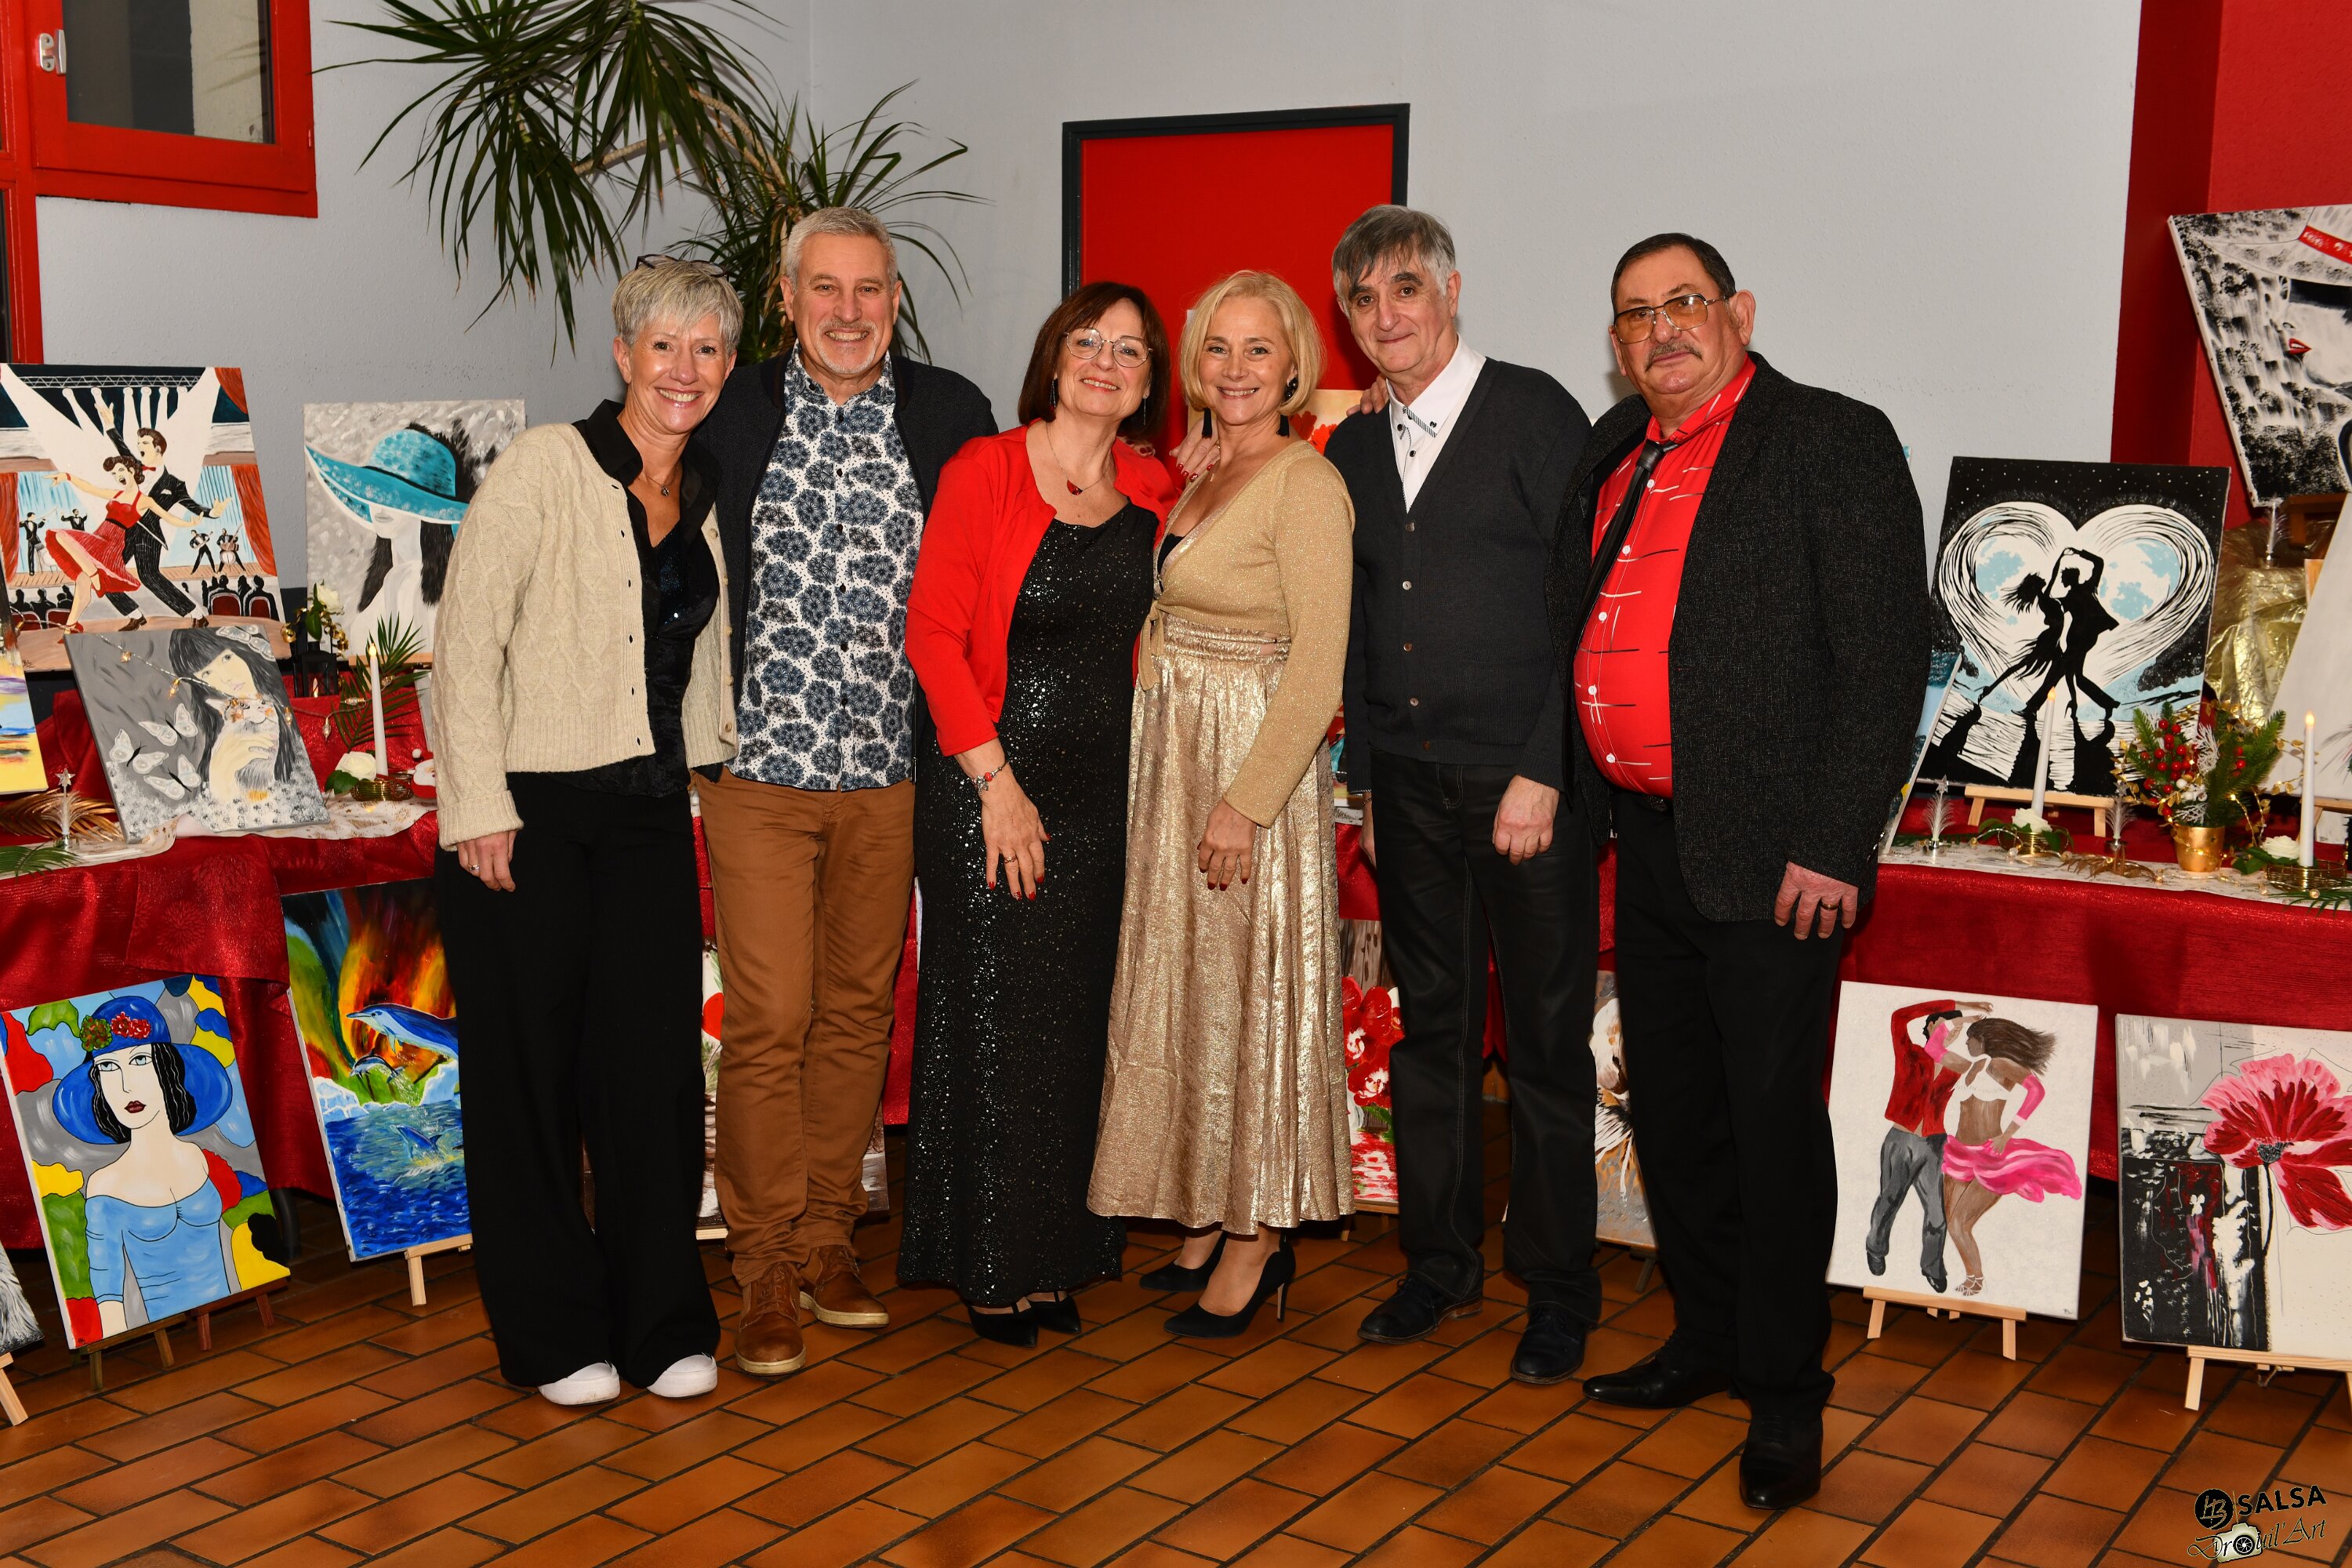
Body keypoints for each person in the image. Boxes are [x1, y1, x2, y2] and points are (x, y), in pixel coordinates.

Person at [1548, 233, 1930, 1510]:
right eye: (1634, 314)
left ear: (1739, 313)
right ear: (1616, 341)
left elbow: (1883, 659)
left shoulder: (1829, 440)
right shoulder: (1614, 447)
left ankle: (1783, 1393)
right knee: (1674, 1113)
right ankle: (1706, 1336)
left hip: (1778, 859)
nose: (1659, 329)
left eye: (1684, 303)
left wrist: (1835, 840)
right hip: (1649, 841)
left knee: (1769, 1130)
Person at [432, 257, 742, 1407]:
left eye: (707, 348)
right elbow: (466, 642)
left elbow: (696, 656)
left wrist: (710, 759)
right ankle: (556, 1334)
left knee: (651, 1076)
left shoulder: (701, 488)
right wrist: (477, 804)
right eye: (665, 345)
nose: (684, 369)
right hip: (528, 814)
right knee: (528, 1081)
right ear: (623, 355)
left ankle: (661, 1324)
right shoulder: (545, 466)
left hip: (649, 817)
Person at [695, 207, 996, 1377]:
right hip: (760, 770)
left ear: (896, 301)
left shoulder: (950, 413)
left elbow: (1019, 532)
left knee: (861, 1013)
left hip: (892, 774)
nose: (849, 311)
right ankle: (764, 1264)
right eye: (825, 288)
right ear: (787, 300)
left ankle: (830, 1239)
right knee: (771, 1017)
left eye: (870, 289)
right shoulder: (730, 408)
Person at [1314, 204, 1599, 1385]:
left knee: (1543, 1044)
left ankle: (1558, 1287)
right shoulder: (1350, 453)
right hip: (1411, 788)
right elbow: (1356, 631)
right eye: (1365, 299)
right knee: (1430, 1033)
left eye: (1406, 289)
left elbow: (1588, 603)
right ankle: (1438, 1262)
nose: (1388, 316)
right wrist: (1371, 783)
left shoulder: (1536, 413)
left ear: (1451, 290)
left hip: (1529, 784)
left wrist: (1546, 765)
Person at [900, 282, 1174, 1345]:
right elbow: (933, 635)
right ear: (1054, 360)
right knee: (994, 1021)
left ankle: (1056, 1254)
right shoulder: (986, 468)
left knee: (1073, 1027)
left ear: (1149, 384)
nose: (1107, 362)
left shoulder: (1155, 484)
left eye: (1131, 351)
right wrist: (997, 785)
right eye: (1088, 342)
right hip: (989, 787)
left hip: (1104, 801)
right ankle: (989, 1260)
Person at [1091, 270, 1354, 1338]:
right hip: (1176, 761)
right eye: (1217, 349)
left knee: (1250, 997)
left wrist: (1246, 803)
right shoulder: (1202, 470)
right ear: (1194, 367)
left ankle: (1258, 1235)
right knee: (1194, 990)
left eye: (1259, 349)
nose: (1236, 369)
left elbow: (1320, 665)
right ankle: (1206, 1211)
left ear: (1294, 366)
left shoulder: (1305, 482)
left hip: (1250, 769)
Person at [56, 995, 251, 1334]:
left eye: (140, 1060)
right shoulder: (105, 1185)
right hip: (164, 1328)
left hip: (233, 1319)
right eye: (108, 1067)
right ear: (98, 1083)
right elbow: (107, 1286)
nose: (126, 1085)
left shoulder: (198, 1157)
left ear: (166, 1067)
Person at [1940, 1015, 2082, 1298]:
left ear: (1983, 1040)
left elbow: (2037, 1090)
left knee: (1958, 1224)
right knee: (1952, 1224)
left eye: (1969, 1039)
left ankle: (1976, 1279)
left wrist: (2008, 1133)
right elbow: (1934, 1050)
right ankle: (1972, 1276)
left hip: (1989, 1155)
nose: (1966, 1043)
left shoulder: (2000, 1065)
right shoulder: (1969, 1066)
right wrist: (1958, 1021)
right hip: (1959, 1153)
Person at [1864, 998, 1983, 1293]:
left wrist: (1959, 1023)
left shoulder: (1956, 1065)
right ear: (1930, 1026)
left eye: (1955, 1030)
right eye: (1944, 1025)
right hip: (1900, 1140)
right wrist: (1959, 1007)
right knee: (1889, 1200)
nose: (1951, 1031)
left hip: (1934, 1145)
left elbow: (1975, 1069)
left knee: (1936, 1211)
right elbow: (1899, 1016)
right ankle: (1875, 1249)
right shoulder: (1910, 1052)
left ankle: (1932, 1266)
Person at [53, 456, 172, 630]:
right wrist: (68, 476)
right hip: (100, 536)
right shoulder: (117, 494)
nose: (117, 476)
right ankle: (71, 626)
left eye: (120, 471)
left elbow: (168, 516)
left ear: (131, 471)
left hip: (114, 541)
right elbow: (91, 489)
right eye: (114, 474)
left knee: (85, 574)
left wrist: (201, 517)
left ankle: (94, 576)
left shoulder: (144, 500)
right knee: (78, 573)